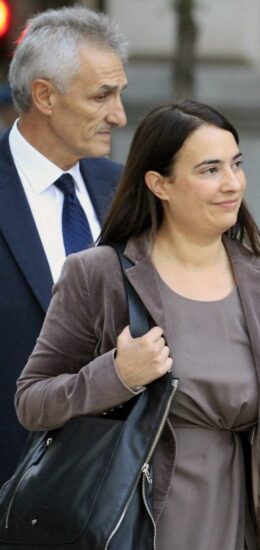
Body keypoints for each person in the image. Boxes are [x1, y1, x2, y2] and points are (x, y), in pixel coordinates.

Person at [15, 101, 260, 549]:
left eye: (236, 164)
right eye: (209, 170)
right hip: (134, 526)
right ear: (159, 184)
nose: (232, 184)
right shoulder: (98, 274)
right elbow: (32, 401)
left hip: (239, 524)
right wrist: (116, 375)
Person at [0, 6, 127, 482]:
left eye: (119, 94)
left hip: (109, 489)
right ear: (45, 96)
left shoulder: (125, 190)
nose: (119, 115)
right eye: (102, 96)